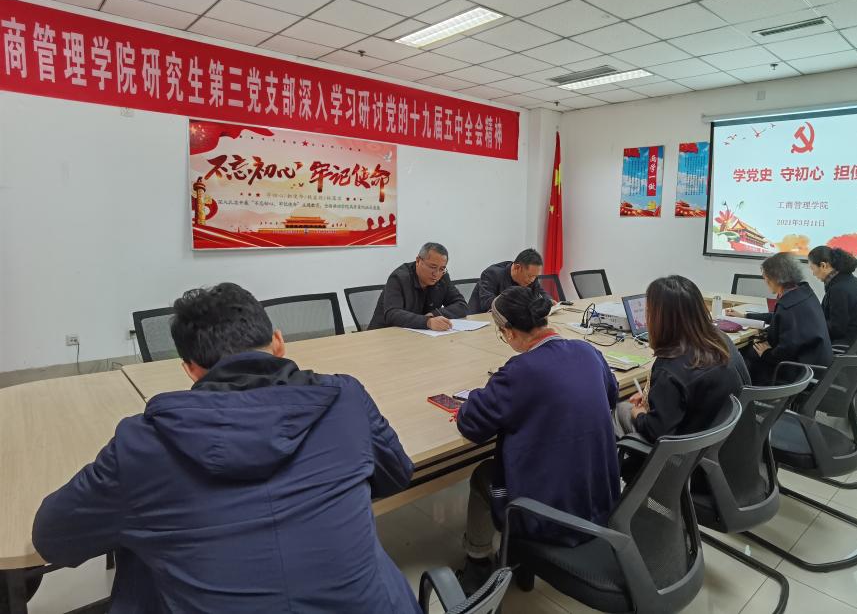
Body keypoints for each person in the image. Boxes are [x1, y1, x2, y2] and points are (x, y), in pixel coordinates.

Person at [33, 283, 419, 614]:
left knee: (140, 547)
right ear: (279, 342)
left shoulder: (141, 445)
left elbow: (52, 538)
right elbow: (397, 474)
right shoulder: (345, 398)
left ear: (189, 368)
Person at [455, 287, 621, 594]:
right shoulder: (588, 352)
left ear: (509, 332)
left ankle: (478, 562)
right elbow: (611, 394)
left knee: (482, 475)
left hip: (547, 517)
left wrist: (480, 394)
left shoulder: (520, 372)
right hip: (599, 502)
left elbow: (472, 424)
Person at [614, 276, 744, 440]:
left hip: (684, 447)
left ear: (659, 319)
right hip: (721, 439)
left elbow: (656, 432)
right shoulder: (719, 343)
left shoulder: (669, 369)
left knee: (620, 409)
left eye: (648, 312)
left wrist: (638, 413)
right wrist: (657, 396)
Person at [728, 252, 832, 383]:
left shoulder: (787, 305)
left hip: (798, 372)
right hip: (817, 364)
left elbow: (785, 351)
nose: (765, 281)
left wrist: (766, 353)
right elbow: (778, 317)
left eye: (765, 277)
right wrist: (746, 316)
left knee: (743, 355)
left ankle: (747, 391)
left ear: (775, 278)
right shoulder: (803, 293)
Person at [368, 241, 468, 330]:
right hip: (385, 333)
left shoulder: (443, 277)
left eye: (442, 269)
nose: (436, 274)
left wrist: (434, 314)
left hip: (419, 334)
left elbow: (462, 305)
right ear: (418, 261)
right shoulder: (399, 278)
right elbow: (392, 314)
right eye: (432, 267)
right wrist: (427, 322)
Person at [807, 245, 857, 346]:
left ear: (823, 266)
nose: (813, 274)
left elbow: (837, 329)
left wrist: (811, 326)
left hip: (845, 346)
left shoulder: (838, 289)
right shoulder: (847, 281)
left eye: (812, 269)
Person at [468, 248, 552, 313]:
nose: (532, 280)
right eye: (530, 276)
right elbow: (487, 304)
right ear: (517, 267)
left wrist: (549, 301)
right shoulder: (492, 274)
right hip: (481, 321)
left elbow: (540, 292)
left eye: (535, 276)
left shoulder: (531, 276)